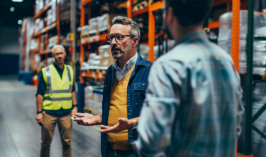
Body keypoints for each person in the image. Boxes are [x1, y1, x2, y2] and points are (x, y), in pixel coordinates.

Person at [133, 0, 244, 157]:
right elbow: (236, 124)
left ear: (170, 14)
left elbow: (151, 142)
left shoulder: (169, 65)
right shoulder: (225, 60)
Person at [74, 16, 152, 157]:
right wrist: (97, 118)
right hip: (109, 149)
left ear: (134, 41)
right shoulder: (110, 71)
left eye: (119, 37)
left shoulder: (149, 70)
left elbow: (157, 114)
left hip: (136, 151)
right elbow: (116, 107)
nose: (113, 43)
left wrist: (131, 123)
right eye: (111, 38)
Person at [35, 45, 77, 157]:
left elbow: (72, 89)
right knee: (45, 144)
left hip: (66, 113)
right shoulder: (45, 72)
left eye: (61, 53)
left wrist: (75, 106)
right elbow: (39, 93)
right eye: (57, 54)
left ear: (65, 54)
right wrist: (39, 112)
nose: (60, 56)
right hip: (49, 113)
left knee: (67, 143)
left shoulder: (70, 70)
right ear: (53, 56)